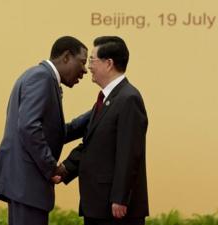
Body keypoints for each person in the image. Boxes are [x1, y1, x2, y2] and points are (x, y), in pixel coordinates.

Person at [0, 36, 89, 225]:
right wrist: (50, 167)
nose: (84, 71)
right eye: (82, 62)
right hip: (27, 185)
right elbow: (28, 127)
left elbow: (53, 131)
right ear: (66, 57)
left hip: (24, 185)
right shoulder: (42, 77)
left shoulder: (40, 76)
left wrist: (95, 115)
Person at [57, 36, 149, 225]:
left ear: (108, 63)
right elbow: (93, 144)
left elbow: (130, 153)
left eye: (92, 60)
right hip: (99, 205)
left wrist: (120, 198)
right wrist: (65, 169)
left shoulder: (128, 99)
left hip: (116, 209)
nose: (88, 66)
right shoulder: (109, 99)